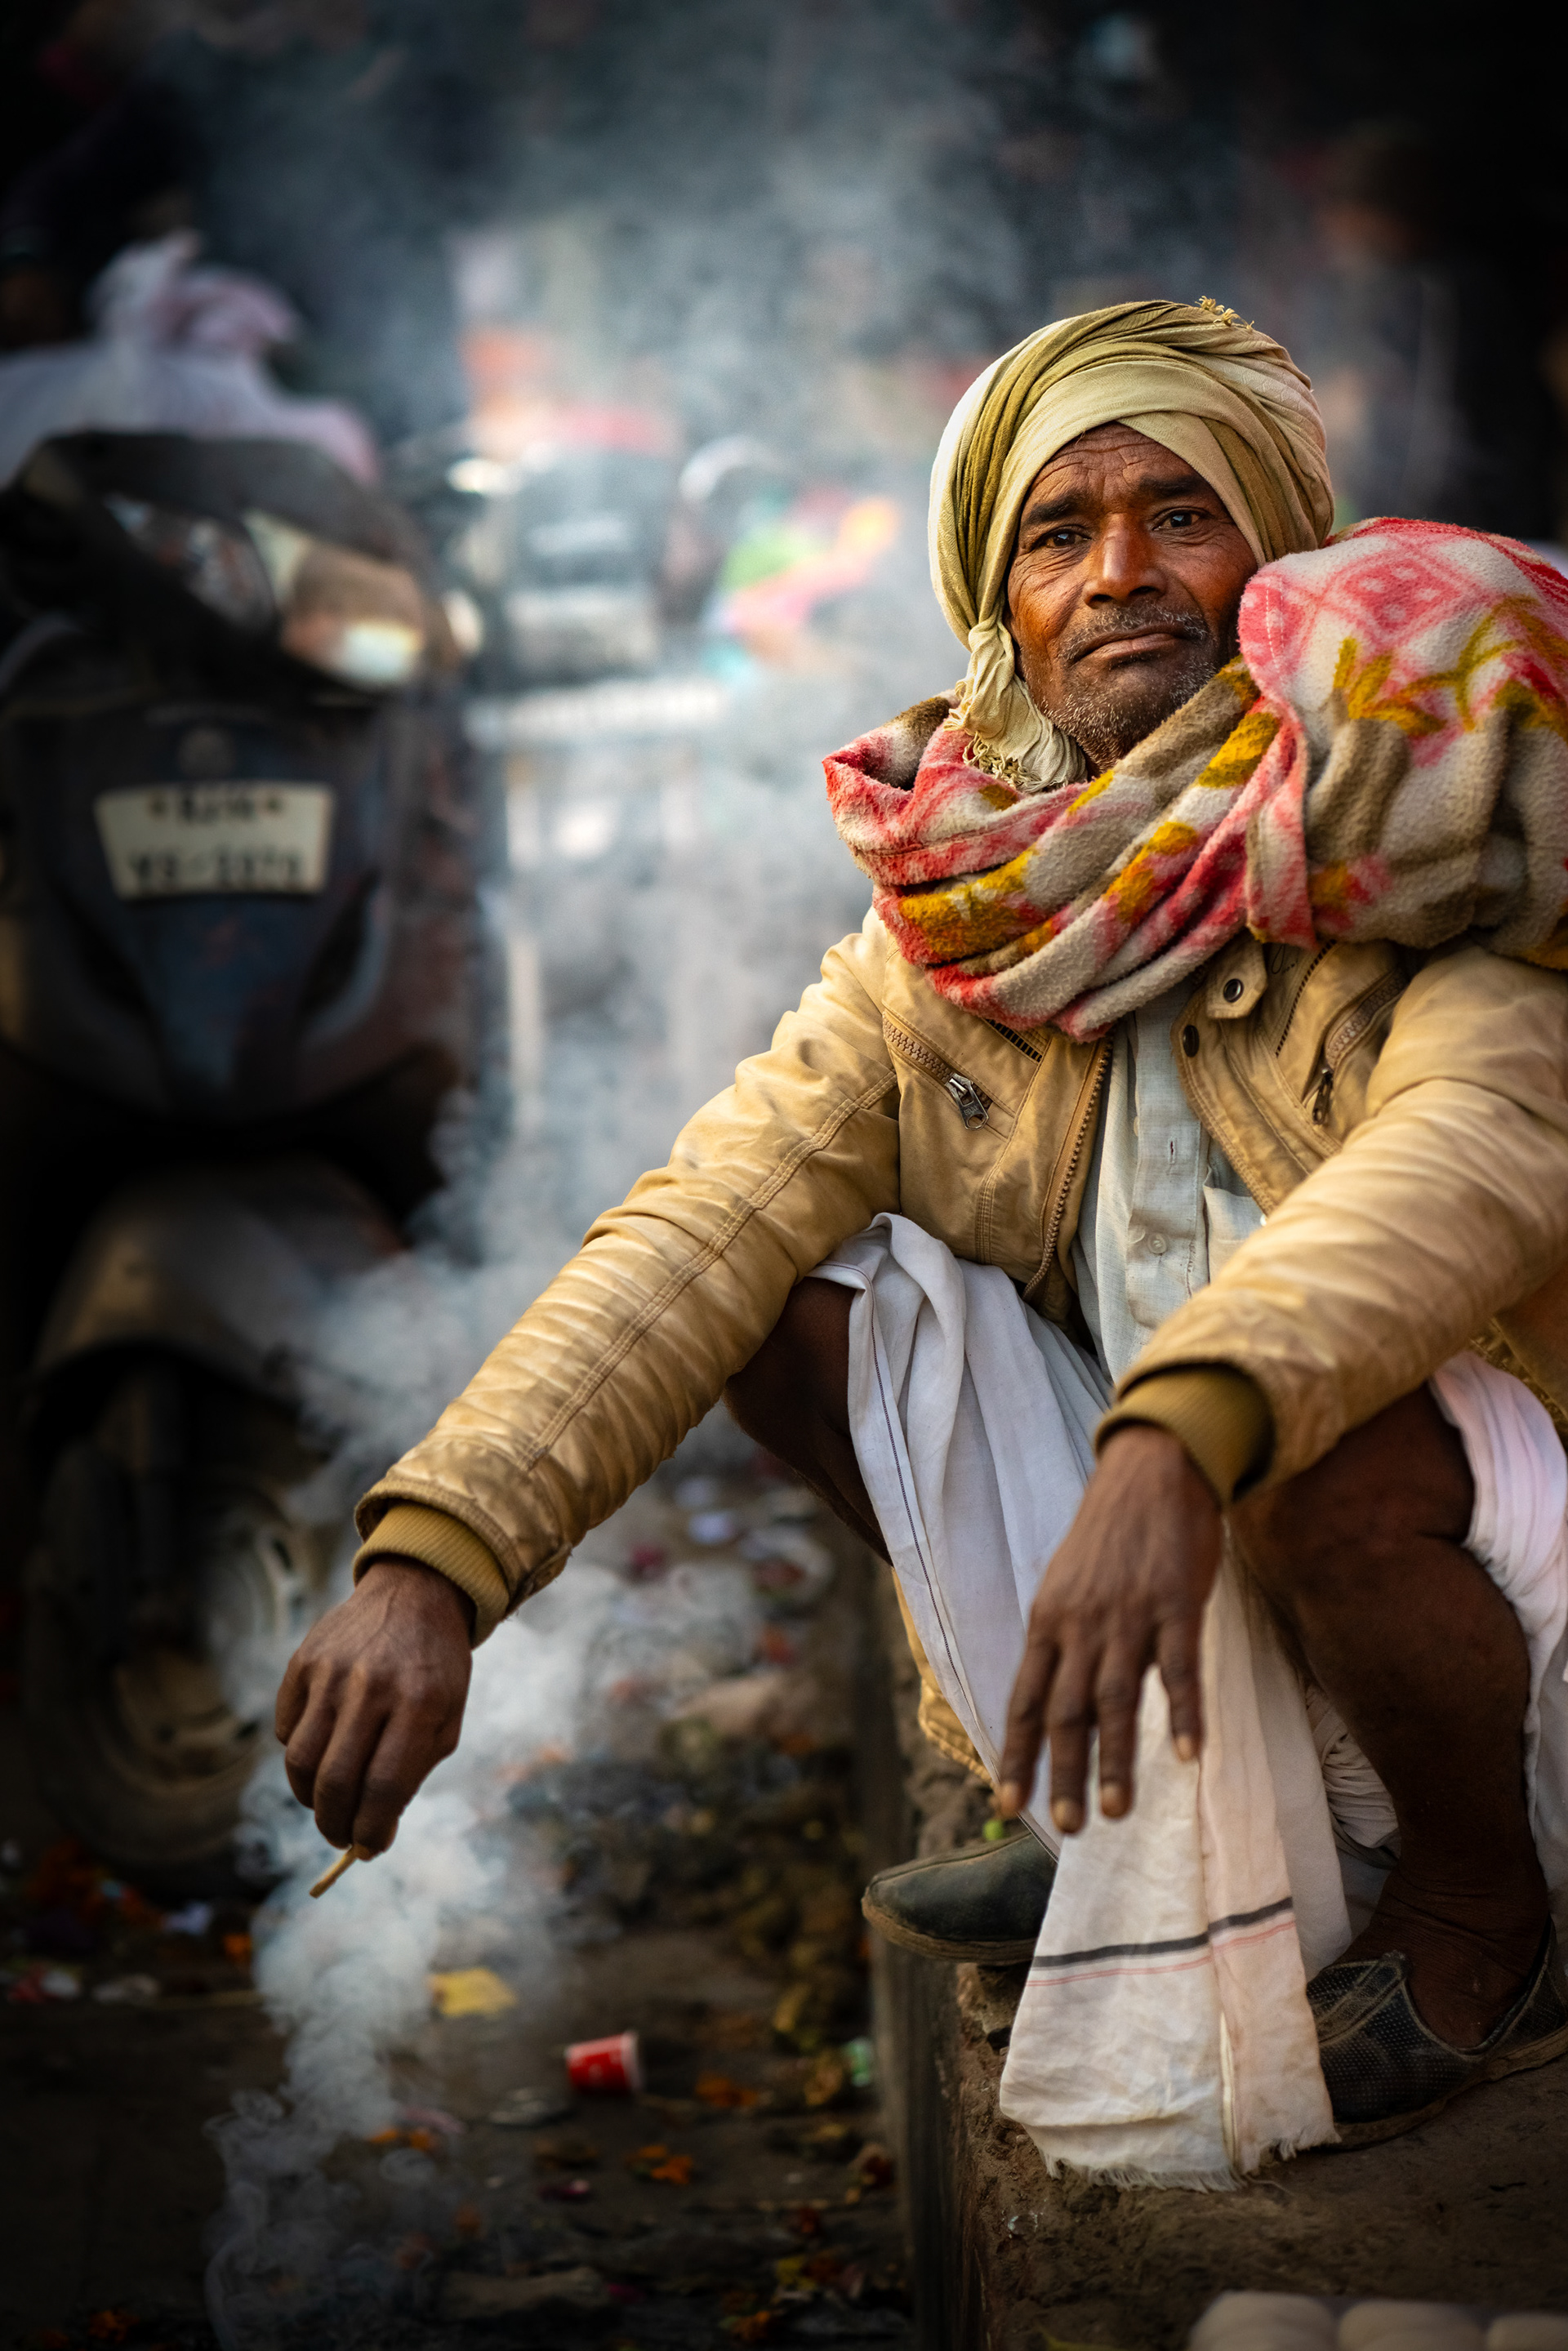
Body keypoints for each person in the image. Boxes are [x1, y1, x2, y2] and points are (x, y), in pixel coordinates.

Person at [275, 299, 1568, 2168]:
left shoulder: (1438, 806)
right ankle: (1139, 1830)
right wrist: (435, 1560)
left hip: (1466, 1563)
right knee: (796, 1299)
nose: (1123, 572)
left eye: (1182, 515)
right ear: (1004, 605)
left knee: (1320, 1430)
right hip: (1189, 1528)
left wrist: (1175, 1434)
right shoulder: (959, 921)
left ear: (1274, 564)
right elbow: (697, 1225)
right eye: (1061, 533)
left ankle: (1482, 1924)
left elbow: (1451, 1170)